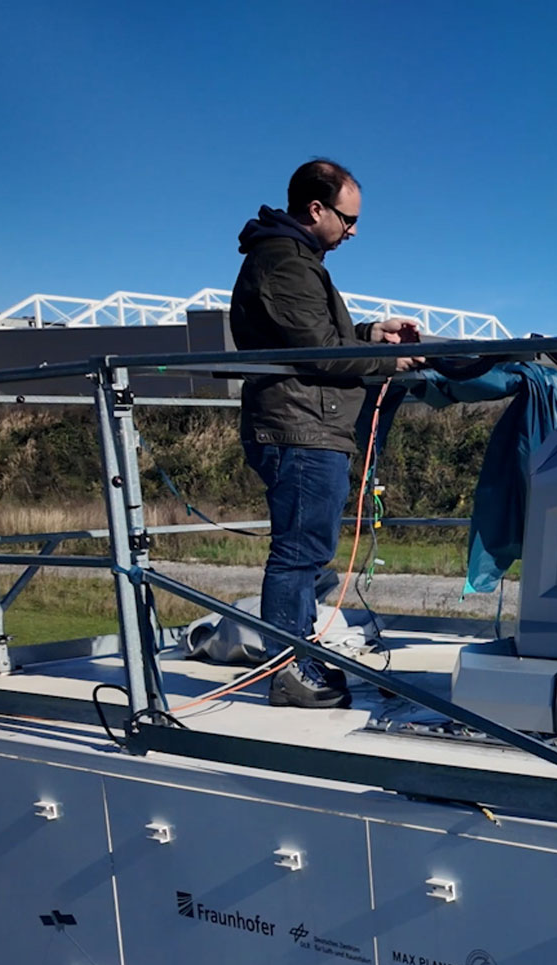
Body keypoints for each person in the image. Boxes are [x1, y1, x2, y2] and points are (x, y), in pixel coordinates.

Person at [230, 159, 421, 708]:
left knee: (307, 549)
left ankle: (297, 662)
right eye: (347, 218)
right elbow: (319, 354)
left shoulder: (296, 261)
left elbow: (316, 337)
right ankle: (290, 671)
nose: (353, 230)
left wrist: (370, 333)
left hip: (309, 423)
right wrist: (391, 362)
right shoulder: (285, 264)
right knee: (298, 553)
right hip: (301, 427)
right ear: (316, 209)